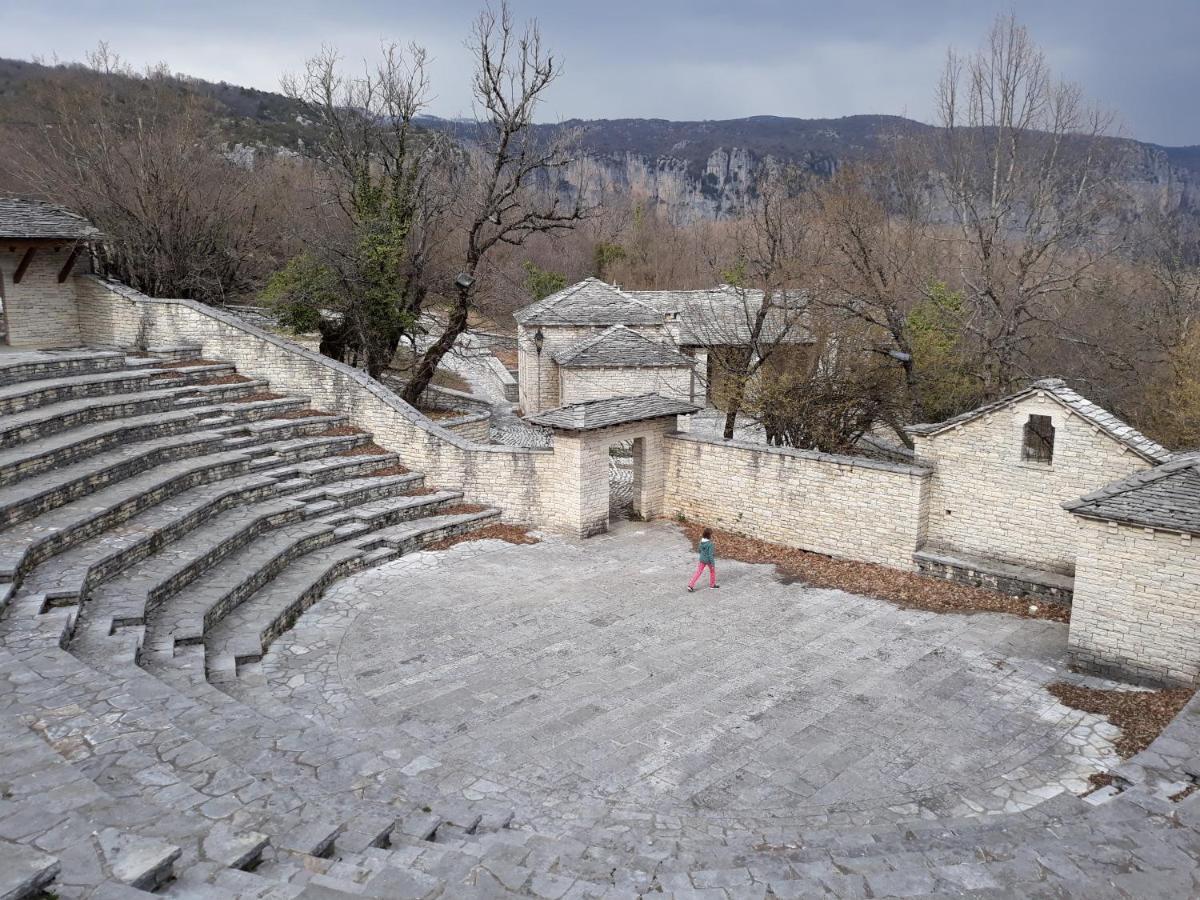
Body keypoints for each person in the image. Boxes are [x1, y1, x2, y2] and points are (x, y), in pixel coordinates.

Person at [687, 528, 719, 592]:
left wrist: (703, 554)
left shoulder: (701, 541)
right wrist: (712, 564)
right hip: (709, 561)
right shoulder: (710, 544)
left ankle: (690, 585)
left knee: (698, 572)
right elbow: (710, 555)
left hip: (702, 559)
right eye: (711, 534)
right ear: (709, 535)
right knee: (712, 572)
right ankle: (712, 585)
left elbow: (699, 550)